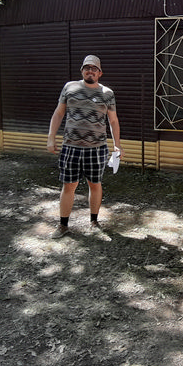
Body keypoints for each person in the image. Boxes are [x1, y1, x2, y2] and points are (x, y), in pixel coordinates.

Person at [47, 55, 123, 238]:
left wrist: (117, 145)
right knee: (69, 185)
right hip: (71, 146)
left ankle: (94, 222)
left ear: (100, 73)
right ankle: (63, 225)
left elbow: (113, 121)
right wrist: (51, 138)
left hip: (97, 148)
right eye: (87, 68)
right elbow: (58, 113)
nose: (90, 71)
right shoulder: (70, 87)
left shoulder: (107, 93)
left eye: (94, 68)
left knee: (95, 184)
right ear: (82, 71)